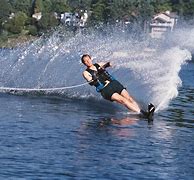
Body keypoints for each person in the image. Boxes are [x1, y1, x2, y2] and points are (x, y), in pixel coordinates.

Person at [81, 54, 155, 118]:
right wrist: (93, 78)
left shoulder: (98, 64)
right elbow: (90, 81)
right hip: (105, 89)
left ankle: (141, 112)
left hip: (114, 83)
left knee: (129, 98)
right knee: (123, 100)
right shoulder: (85, 72)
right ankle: (143, 113)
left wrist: (107, 64)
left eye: (88, 59)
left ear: (91, 59)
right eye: (85, 61)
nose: (88, 62)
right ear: (84, 63)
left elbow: (109, 63)